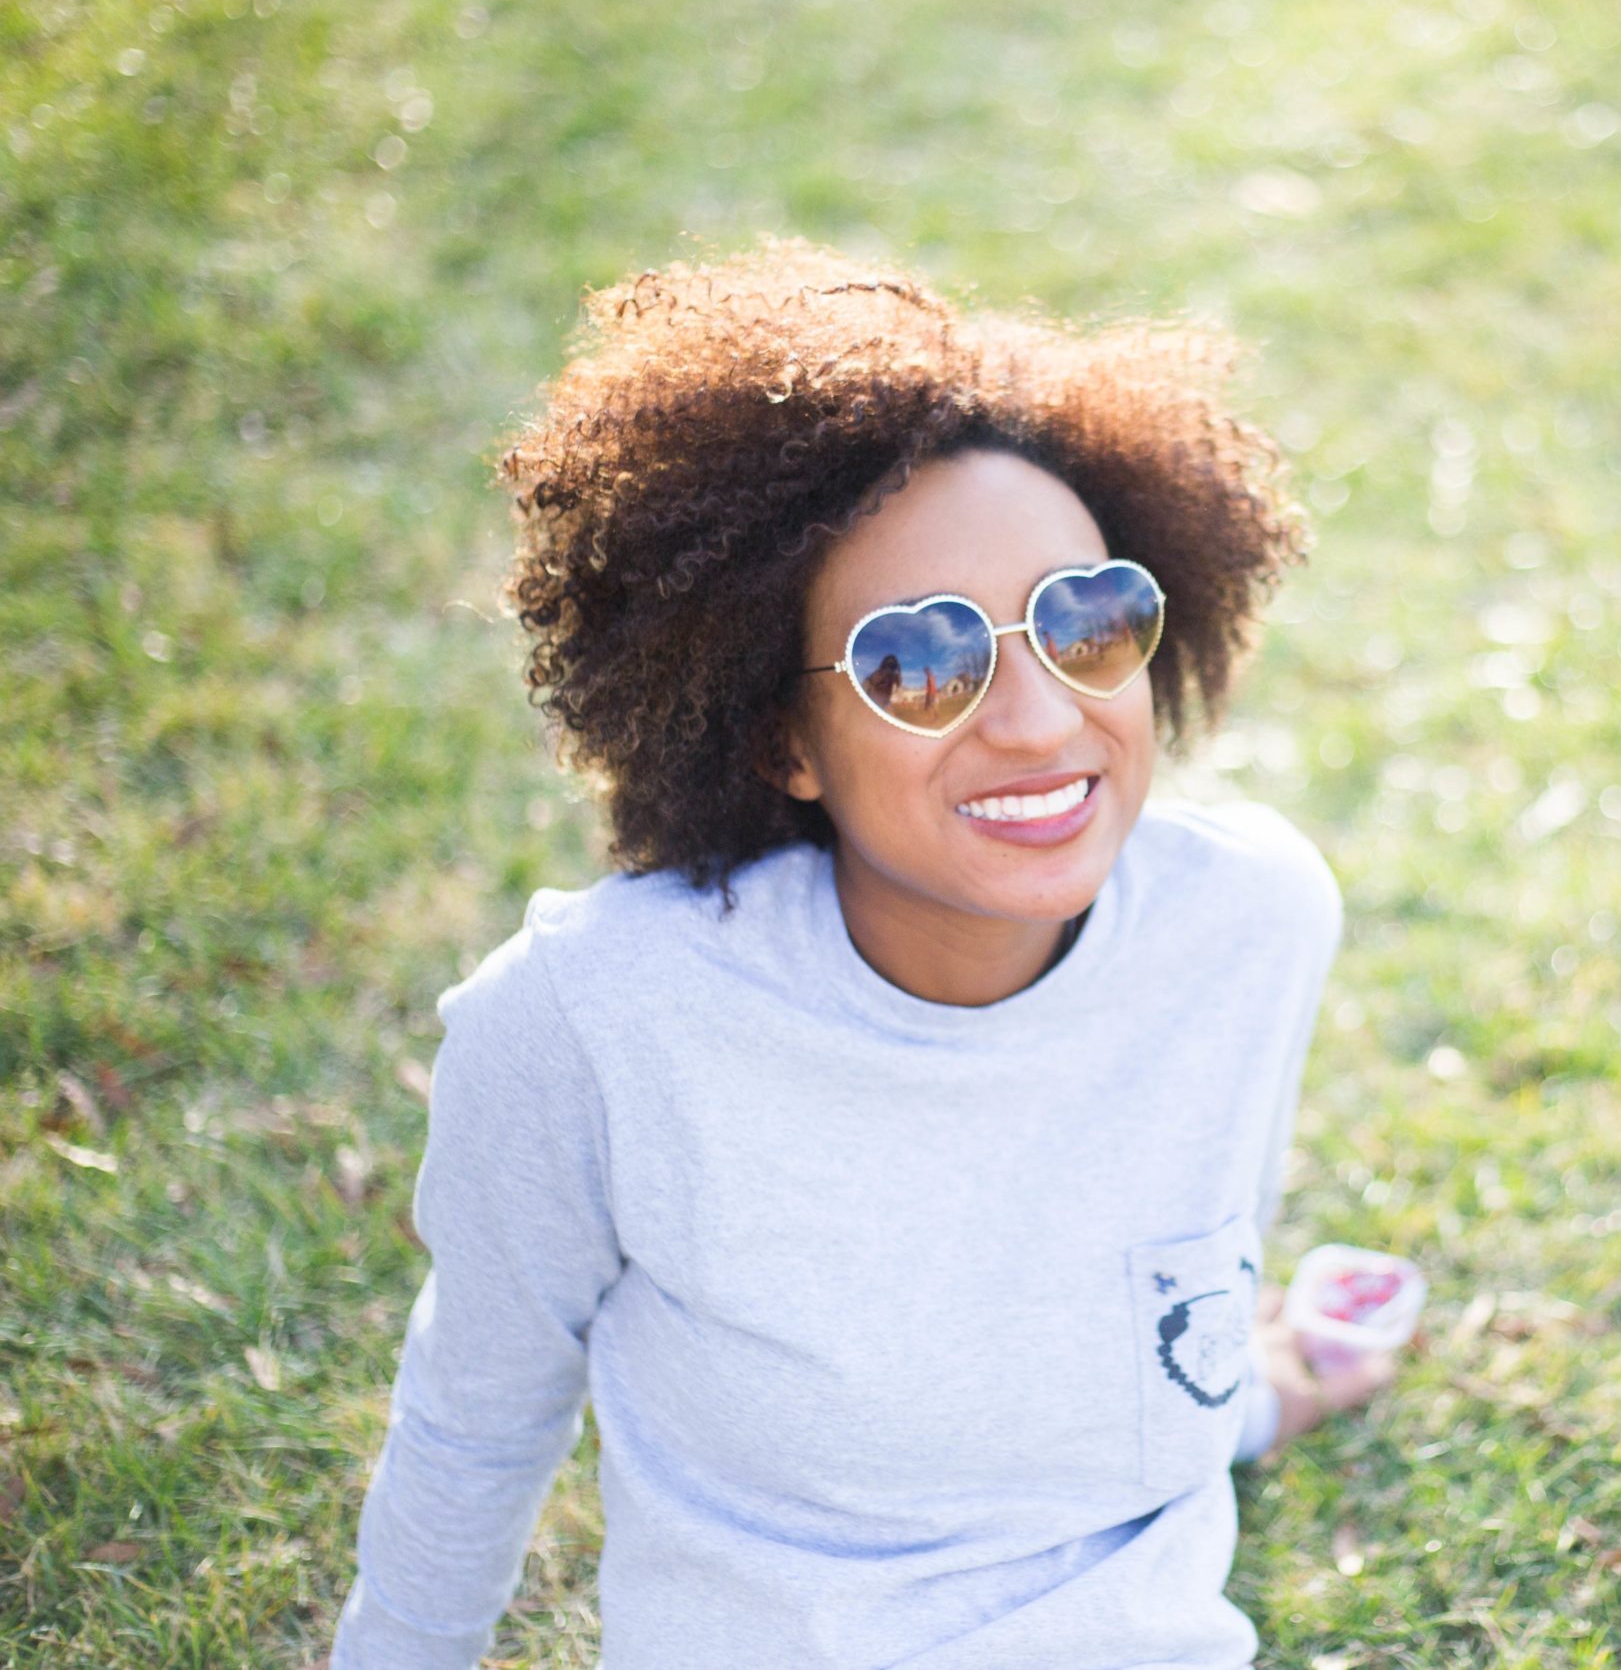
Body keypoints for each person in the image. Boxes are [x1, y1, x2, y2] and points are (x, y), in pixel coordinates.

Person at [329, 242, 1395, 1669]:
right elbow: (477, 1419)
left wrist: (1247, 1393)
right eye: (920, 663)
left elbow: (1145, 1308)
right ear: (782, 737)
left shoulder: (1251, 925)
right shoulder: (594, 1031)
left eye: (1086, 624)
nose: (1032, 723)